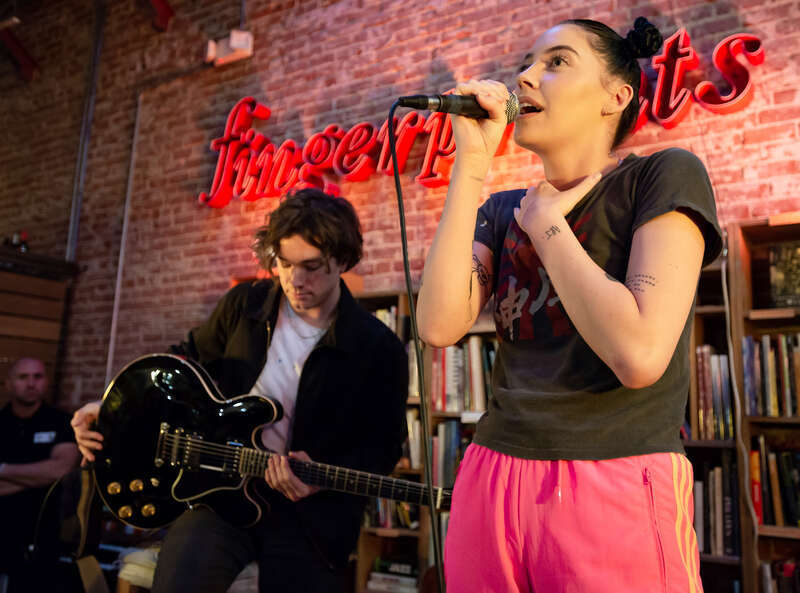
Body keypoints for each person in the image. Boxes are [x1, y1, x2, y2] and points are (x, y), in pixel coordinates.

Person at [416, 17, 723, 593]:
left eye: (556, 62)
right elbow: (436, 324)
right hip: (491, 471)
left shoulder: (661, 176)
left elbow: (639, 354)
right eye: (526, 65)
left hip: (613, 471)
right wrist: (471, 167)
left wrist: (549, 227)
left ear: (616, 95)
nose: (527, 77)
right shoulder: (505, 208)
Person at [71, 189, 409, 593]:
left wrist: (318, 480)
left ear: (342, 260)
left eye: (311, 266)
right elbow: (180, 368)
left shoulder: (378, 347)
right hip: (217, 494)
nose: (295, 280)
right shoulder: (243, 306)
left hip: (311, 515)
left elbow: (383, 449)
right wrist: (110, 407)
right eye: (284, 263)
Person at [0, 357, 80, 593]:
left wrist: (3, 470)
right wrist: (38, 477)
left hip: (41, 537)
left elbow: (61, 470)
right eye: (23, 377)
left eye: (38, 376)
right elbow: (50, 473)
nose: (31, 383)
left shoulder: (63, 423)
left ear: (46, 383)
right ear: (8, 384)